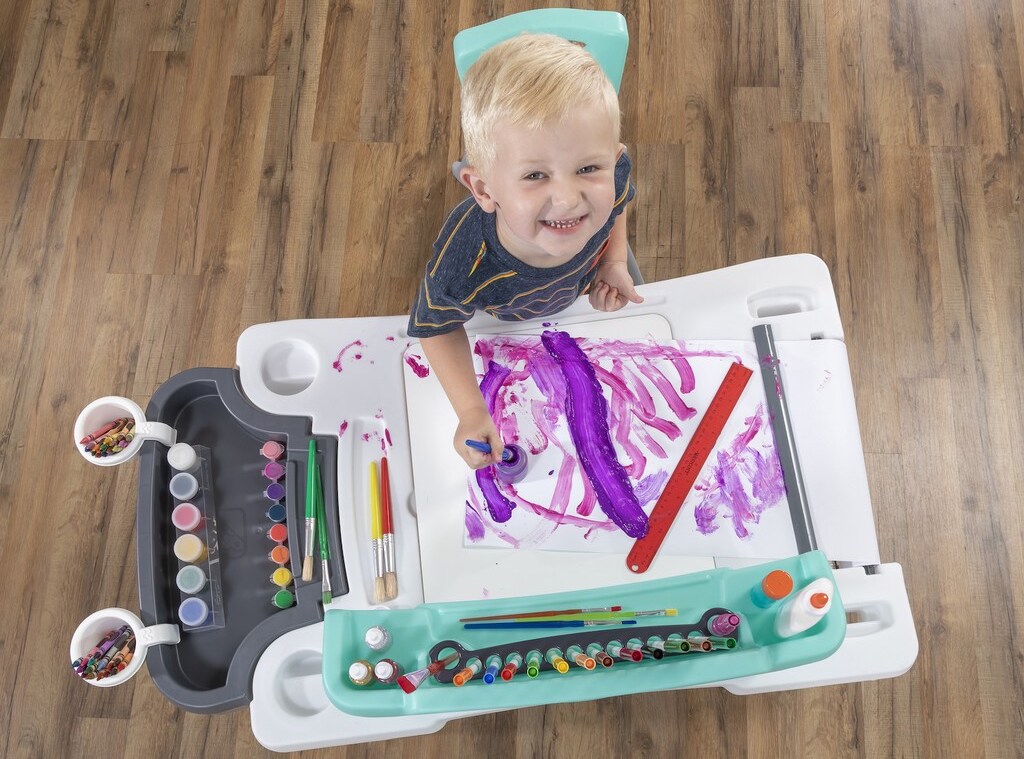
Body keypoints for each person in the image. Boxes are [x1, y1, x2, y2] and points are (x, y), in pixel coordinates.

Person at [407, 32, 642, 470]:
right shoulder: (463, 264)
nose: (569, 199)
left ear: (614, 157)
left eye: (588, 168)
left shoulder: (613, 179)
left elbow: (618, 201)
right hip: (506, 318)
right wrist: (471, 411)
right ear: (482, 189)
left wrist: (612, 262)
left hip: (583, 290)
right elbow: (434, 327)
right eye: (536, 175)